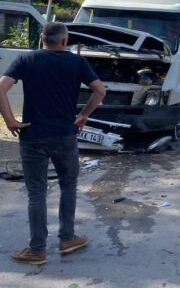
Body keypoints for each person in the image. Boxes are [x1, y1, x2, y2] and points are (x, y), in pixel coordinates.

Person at [0, 22, 106, 265]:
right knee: (68, 184)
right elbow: (99, 91)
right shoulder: (77, 62)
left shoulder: (27, 60)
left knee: (36, 193)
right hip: (65, 135)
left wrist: (9, 121)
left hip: (33, 136)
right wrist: (83, 115)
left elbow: (0, 88)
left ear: (42, 39)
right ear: (64, 41)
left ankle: (37, 249)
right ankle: (67, 238)